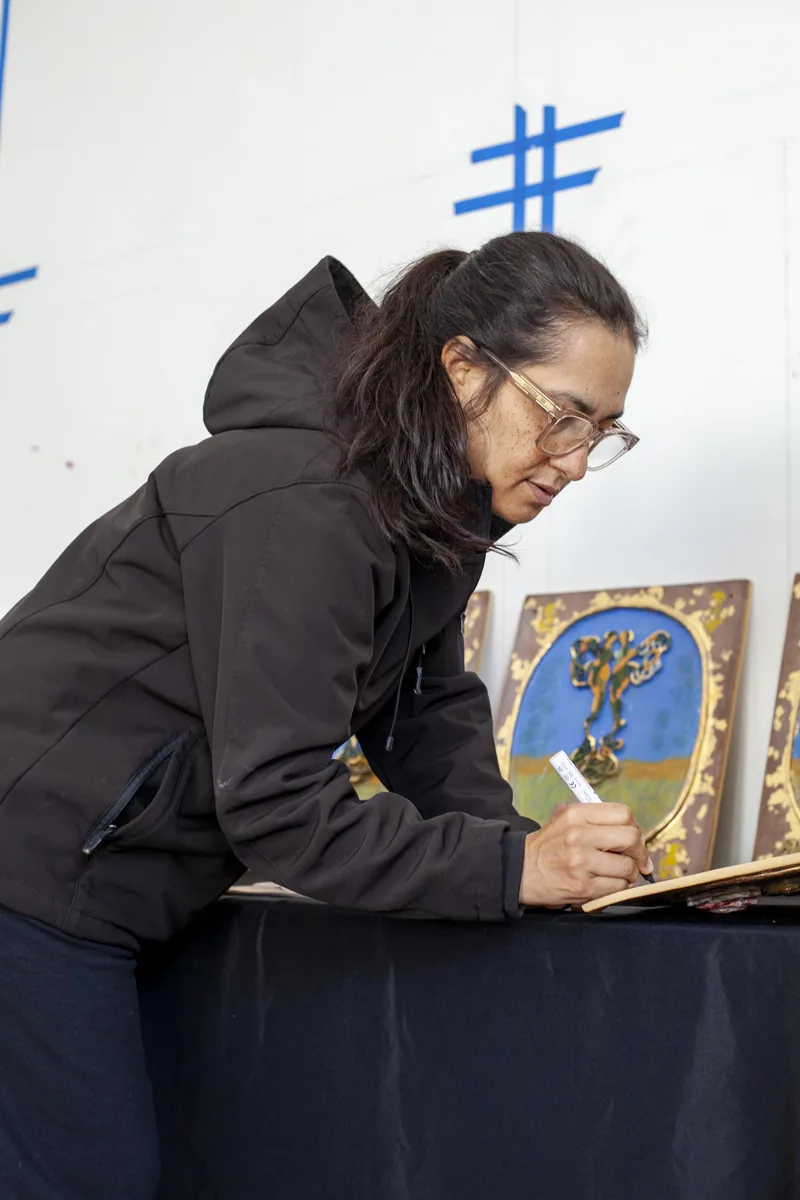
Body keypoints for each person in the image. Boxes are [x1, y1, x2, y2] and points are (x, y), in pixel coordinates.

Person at [0, 230, 652, 1198]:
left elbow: (425, 722)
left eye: (600, 432)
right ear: (462, 368)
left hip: (107, 891)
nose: (573, 459)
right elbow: (277, 804)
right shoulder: (307, 500)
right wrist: (515, 868)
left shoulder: (424, 506)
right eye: (562, 416)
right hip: (31, 877)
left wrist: (530, 854)